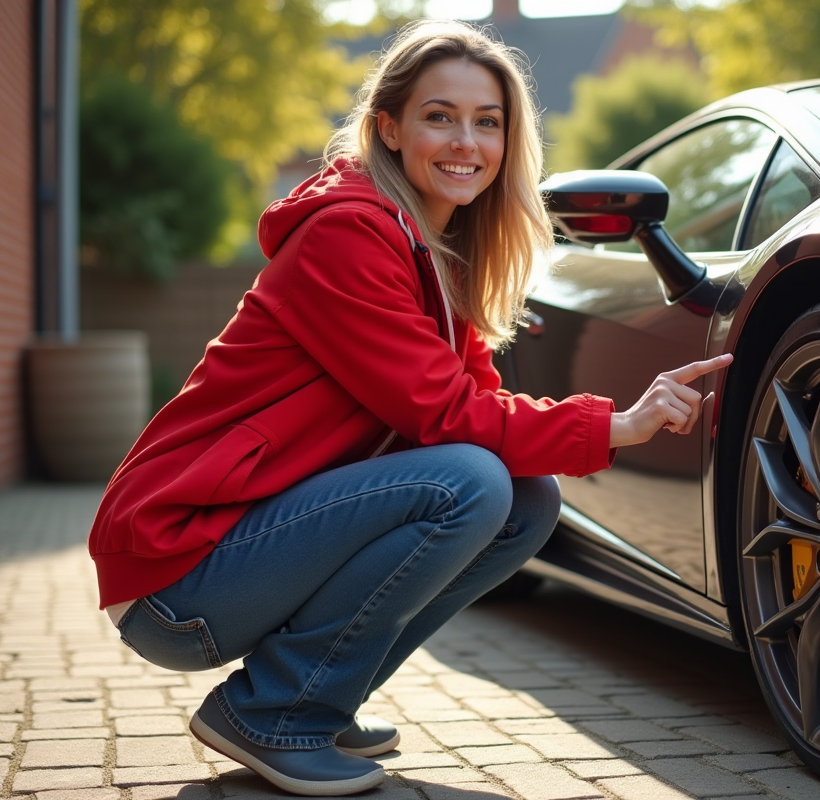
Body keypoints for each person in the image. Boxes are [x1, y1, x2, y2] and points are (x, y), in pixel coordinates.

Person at [88, 19, 731, 797]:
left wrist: (593, 429)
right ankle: (273, 710)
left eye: (486, 122)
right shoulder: (348, 237)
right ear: (388, 128)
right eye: (440, 116)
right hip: (177, 571)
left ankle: (322, 694)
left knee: (527, 498)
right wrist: (615, 425)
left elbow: (478, 404)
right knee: (470, 481)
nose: (466, 141)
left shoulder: (430, 249)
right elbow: (446, 416)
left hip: (239, 546)